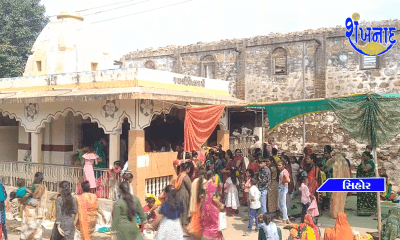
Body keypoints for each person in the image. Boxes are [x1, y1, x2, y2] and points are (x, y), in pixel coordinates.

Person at [20, 172, 46, 240]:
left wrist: (21, 200)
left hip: (30, 210)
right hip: (40, 210)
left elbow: (26, 196)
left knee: (27, 228)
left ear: (35, 177)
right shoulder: (43, 187)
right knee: (38, 227)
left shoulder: (33, 186)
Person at [200, 170, 224, 240]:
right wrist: (220, 204)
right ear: (213, 176)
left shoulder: (204, 185)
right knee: (214, 225)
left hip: (205, 207)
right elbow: (214, 198)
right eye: (215, 176)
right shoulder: (213, 185)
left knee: (206, 224)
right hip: (212, 207)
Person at [330, 152, 350, 219]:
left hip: (336, 183)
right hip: (344, 183)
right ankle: (340, 213)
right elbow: (348, 174)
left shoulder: (335, 165)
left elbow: (332, 175)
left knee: (335, 199)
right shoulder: (345, 164)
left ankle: (335, 213)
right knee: (342, 199)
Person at [188, 169, 207, 240]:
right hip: (202, 205)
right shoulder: (206, 182)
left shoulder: (194, 181)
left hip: (195, 205)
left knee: (195, 224)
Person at [356, 151, 377, 216]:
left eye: (363, 156)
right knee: (362, 197)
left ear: (367, 157)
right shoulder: (364, 162)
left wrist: (362, 162)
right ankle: (361, 210)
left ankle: (371, 211)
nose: (362, 157)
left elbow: (365, 169)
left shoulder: (370, 162)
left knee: (369, 197)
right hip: (361, 182)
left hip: (368, 183)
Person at [174, 162, 192, 235]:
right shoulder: (185, 177)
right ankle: (184, 229)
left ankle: (179, 228)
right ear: (187, 169)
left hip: (178, 195)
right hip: (184, 195)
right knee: (184, 211)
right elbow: (190, 188)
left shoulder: (179, 176)